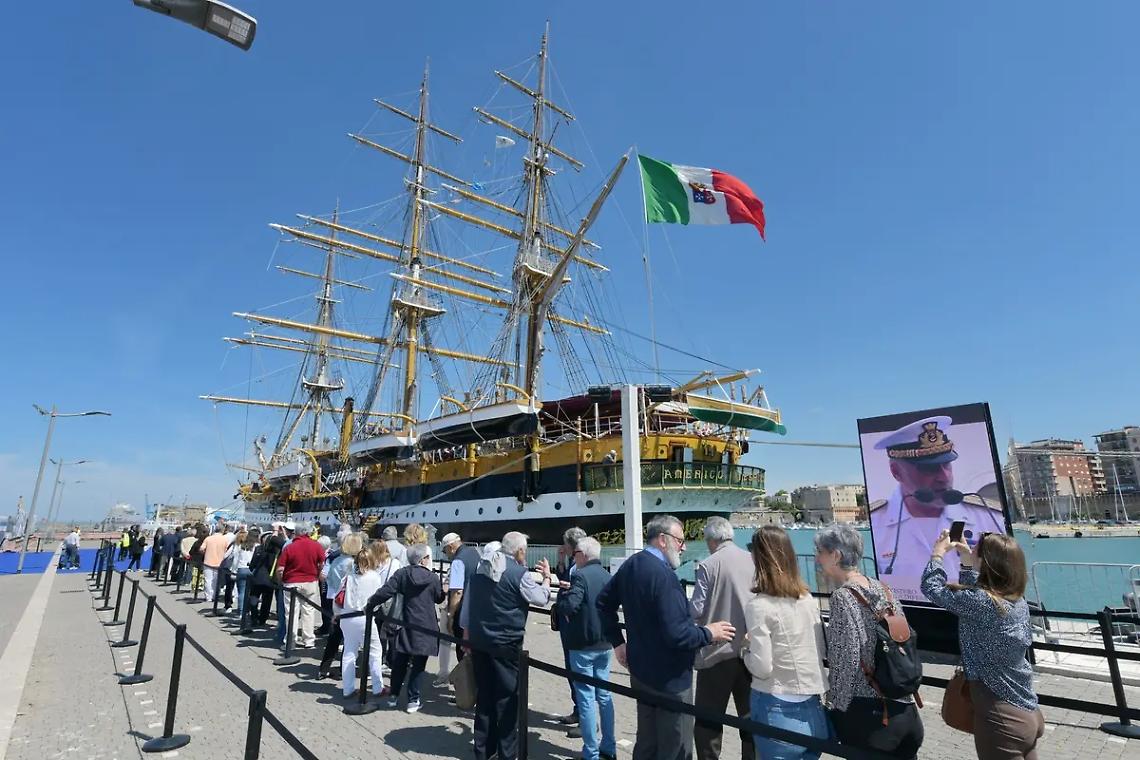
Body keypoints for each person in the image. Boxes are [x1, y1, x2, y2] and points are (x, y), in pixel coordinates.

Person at [597, 514, 736, 760]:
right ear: (663, 539)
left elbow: (603, 603)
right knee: (676, 747)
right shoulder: (664, 577)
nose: (683, 547)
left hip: (641, 672)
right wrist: (709, 633)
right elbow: (678, 634)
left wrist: (618, 643)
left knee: (647, 745)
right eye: (680, 541)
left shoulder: (633, 564)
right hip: (670, 681)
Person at [922, 531, 1044, 759]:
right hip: (1026, 711)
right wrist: (968, 564)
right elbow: (974, 602)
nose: (972, 549)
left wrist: (937, 555)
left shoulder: (985, 604)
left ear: (987, 564)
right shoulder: (1016, 601)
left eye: (976, 549)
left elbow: (932, 588)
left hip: (1002, 718)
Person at [815, 524, 923, 758]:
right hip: (905, 708)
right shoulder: (882, 588)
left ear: (835, 555)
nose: (816, 558)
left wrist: (835, 706)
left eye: (820, 551)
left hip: (871, 718)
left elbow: (846, 659)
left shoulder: (843, 597)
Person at [869, 416, 1006, 601]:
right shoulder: (876, 524)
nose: (944, 477)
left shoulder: (989, 518)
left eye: (947, 464)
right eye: (929, 468)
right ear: (896, 472)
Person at [743, 526, 830, 760]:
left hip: (777, 705)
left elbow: (762, 667)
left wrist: (745, 650)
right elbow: (819, 647)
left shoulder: (759, 606)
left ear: (760, 557)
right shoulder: (808, 599)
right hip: (812, 705)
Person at [463, 531, 552, 760]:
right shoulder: (518, 573)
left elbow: (472, 602)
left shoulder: (480, 569)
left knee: (485, 698)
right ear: (520, 551)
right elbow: (541, 599)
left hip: (481, 642)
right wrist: (548, 578)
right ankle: (507, 753)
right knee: (507, 701)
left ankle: (483, 751)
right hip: (506, 644)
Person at [690, 516, 756, 760]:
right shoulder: (752, 561)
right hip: (749, 651)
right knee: (750, 720)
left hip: (716, 652)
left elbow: (696, 610)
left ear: (711, 540)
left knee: (708, 722)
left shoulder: (708, 565)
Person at [555, 536, 616, 760]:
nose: (574, 557)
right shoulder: (607, 576)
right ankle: (609, 747)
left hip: (582, 644)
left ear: (584, 555)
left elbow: (570, 606)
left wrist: (563, 597)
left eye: (576, 553)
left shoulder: (580, 575)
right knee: (605, 695)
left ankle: (591, 752)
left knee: (586, 697)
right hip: (605, 642)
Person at [369, 543, 444, 713]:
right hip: (426, 625)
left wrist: (370, 604)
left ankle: (394, 696)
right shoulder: (432, 578)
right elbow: (439, 598)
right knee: (418, 665)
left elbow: (386, 591)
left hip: (404, 623)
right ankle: (413, 699)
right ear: (423, 559)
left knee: (400, 662)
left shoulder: (402, 574)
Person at [337, 537, 387, 699]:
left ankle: (348, 688)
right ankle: (378, 687)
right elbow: (378, 600)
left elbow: (339, 598)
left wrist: (337, 613)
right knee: (374, 651)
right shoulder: (374, 577)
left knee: (349, 652)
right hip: (365, 617)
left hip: (347, 616)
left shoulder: (348, 576)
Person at [436, 532, 480, 686]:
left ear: (451, 547)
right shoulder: (475, 553)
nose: (446, 554)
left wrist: (450, 614)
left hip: (463, 610)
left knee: (462, 650)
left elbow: (457, 591)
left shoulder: (458, 562)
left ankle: (468, 688)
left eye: (445, 550)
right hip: (478, 607)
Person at [555, 526, 587, 728]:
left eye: (565, 544)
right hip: (568, 628)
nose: (563, 547)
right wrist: (559, 563)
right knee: (571, 670)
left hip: (575, 627)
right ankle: (578, 711)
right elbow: (564, 581)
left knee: (579, 673)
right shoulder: (573, 565)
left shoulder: (581, 568)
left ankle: (585, 719)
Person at [275, 520, 325, 649]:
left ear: (296, 532)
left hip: (291, 582)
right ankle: (308, 640)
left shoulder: (289, 547)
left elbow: (280, 568)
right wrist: (317, 575)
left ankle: (290, 641)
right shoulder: (317, 546)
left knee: (291, 612)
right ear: (308, 532)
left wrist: (281, 581)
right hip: (310, 581)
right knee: (309, 611)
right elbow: (322, 564)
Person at [318, 530, 356, 680]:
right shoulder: (351, 563)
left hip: (336, 602)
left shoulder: (336, 560)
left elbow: (329, 580)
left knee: (334, 638)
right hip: (348, 604)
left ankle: (323, 669)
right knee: (348, 640)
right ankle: (342, 671)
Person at [201, 525, 230, 602]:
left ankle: (208, 596)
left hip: (208, 561)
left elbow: (201, 549)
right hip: (219, 563)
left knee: (208, 580)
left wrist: (205, 553)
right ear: (222, 531)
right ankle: (214, 595)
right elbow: (227, 551)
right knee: (216, 581)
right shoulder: (224, 539)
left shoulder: (208, 538)